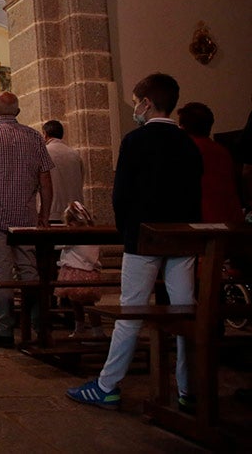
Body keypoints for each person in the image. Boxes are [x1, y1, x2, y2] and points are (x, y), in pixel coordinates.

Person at [68, 73, 203, 412]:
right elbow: (194, 192)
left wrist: (126, 230)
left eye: (135, 102)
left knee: (131, 312)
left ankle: (108, 386)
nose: (135, 109)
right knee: (185, 312)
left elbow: (121, 195)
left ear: (146, 102)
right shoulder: (189, 143)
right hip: (183, 237)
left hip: (143, 239)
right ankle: (190, 391)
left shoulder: (135, 141)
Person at [0, 91, 54, 349]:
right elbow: (45, 180)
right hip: (25, 218)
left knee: (1, 271)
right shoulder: (34, 137)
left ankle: (4, 329)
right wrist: (44, 214)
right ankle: (38, 326)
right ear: (17, 112)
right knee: (29, 270)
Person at [176, 102, 243, 224]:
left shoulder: (183, 150)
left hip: (196, 221)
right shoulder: (223, 152)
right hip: (228, 220)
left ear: (183, 127)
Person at [55, 201, 105, 339]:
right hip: (83, 271)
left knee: (86, 304)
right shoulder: (91, 232)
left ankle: (97, 331)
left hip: (78, 272)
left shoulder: (77, 234)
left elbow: (61, 245)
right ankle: (80, 328)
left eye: (69, 223)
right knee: (76, 303)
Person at [42, 120, 85, 223]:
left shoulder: (44, 152)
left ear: (45, 134)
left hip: (53, 212)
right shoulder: (75, 155)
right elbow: (81, 180)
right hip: (74, 213)